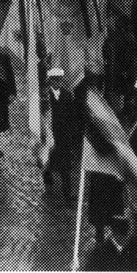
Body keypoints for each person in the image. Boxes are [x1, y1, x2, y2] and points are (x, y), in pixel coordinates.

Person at [43, 68, 79, 203]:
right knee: (48, 161)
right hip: (50, 135)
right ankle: (48, 181)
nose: (57, 82)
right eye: (54, 80)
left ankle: (67, 195)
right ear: (50, 81)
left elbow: (72, 116)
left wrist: (72, 135)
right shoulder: (45, 96)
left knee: (65, 167)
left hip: (63, 136)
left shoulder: (67, 95)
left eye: (59, 80)